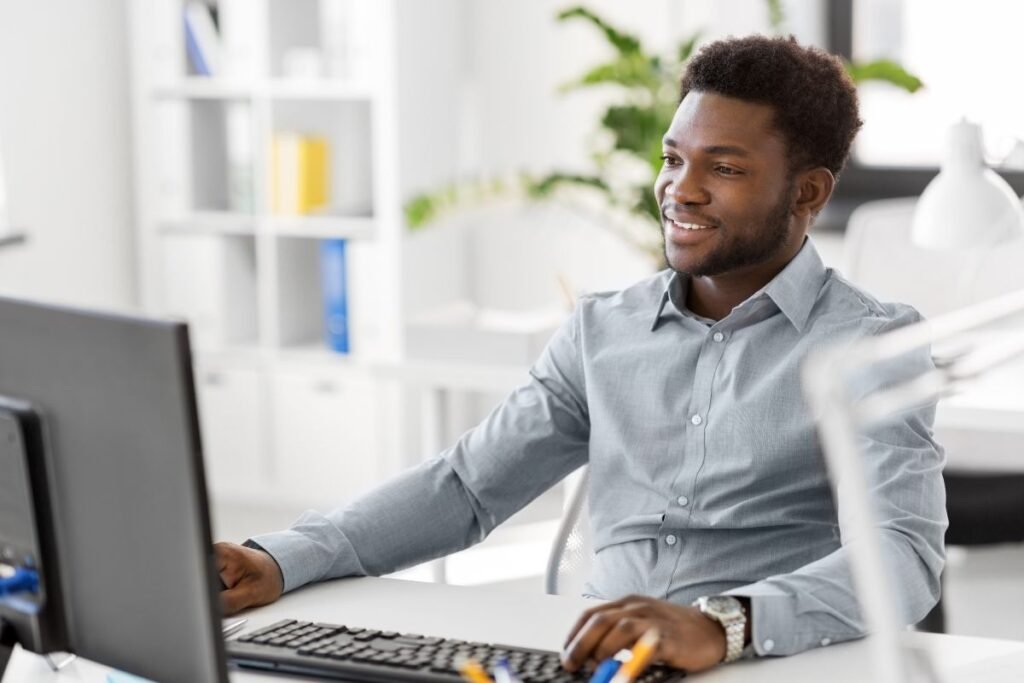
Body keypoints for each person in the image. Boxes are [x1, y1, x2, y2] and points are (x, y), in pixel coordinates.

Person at [215, 35, 946, 675]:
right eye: (672, 158)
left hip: (763, 663)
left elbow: (902, 562)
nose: (679, 190)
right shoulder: (605, 329)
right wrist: (281, 558)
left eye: (723, 169)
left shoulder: (868, 343)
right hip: (593, 663)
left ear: (808, 191)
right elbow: (468, 487)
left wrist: (722, 623)